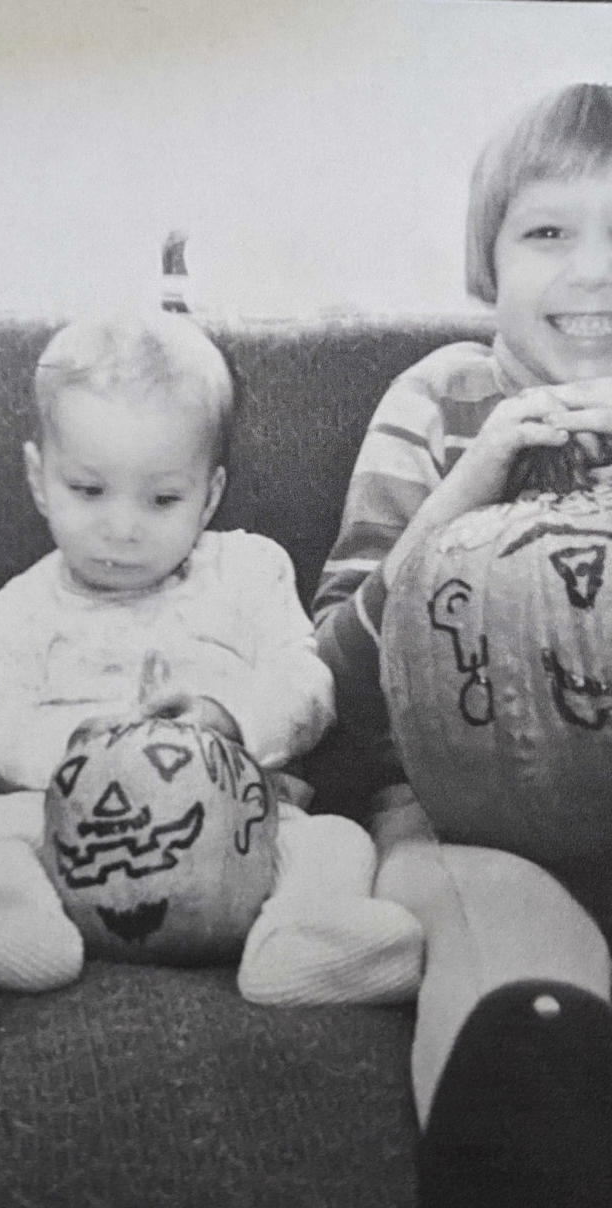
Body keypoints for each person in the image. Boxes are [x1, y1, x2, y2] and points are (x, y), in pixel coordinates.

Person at [0, 311, 424, 1005]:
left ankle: (302, 939)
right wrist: (75, 750)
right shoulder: (17, 611)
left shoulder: (247, 573)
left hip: (239, 842)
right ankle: (5, 920)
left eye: (162, 499)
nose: (121, 527)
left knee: (334, 842)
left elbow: (307, 683)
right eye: (88, 490)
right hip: (73, 845)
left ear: (208, 495)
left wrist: (230, 719)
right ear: (38, 480)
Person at [313, 83, 612, 1206]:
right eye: (548, 231)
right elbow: (335, 686)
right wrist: (467, 486)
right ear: (486, 259)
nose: (593, 271)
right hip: (456, 812)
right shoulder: (438, 400)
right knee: (510, 965)